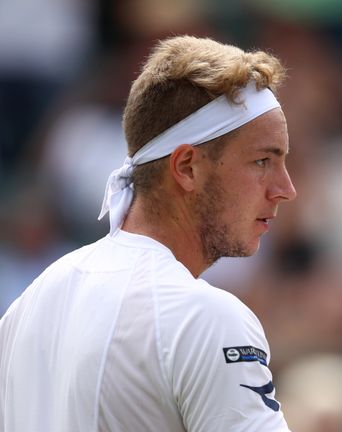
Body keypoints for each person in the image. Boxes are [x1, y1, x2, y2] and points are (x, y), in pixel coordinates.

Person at [0, 35, 298, 431]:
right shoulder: (207, 318)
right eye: (262, 160)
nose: (285, 189)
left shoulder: (29, 304)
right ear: (187, 167)